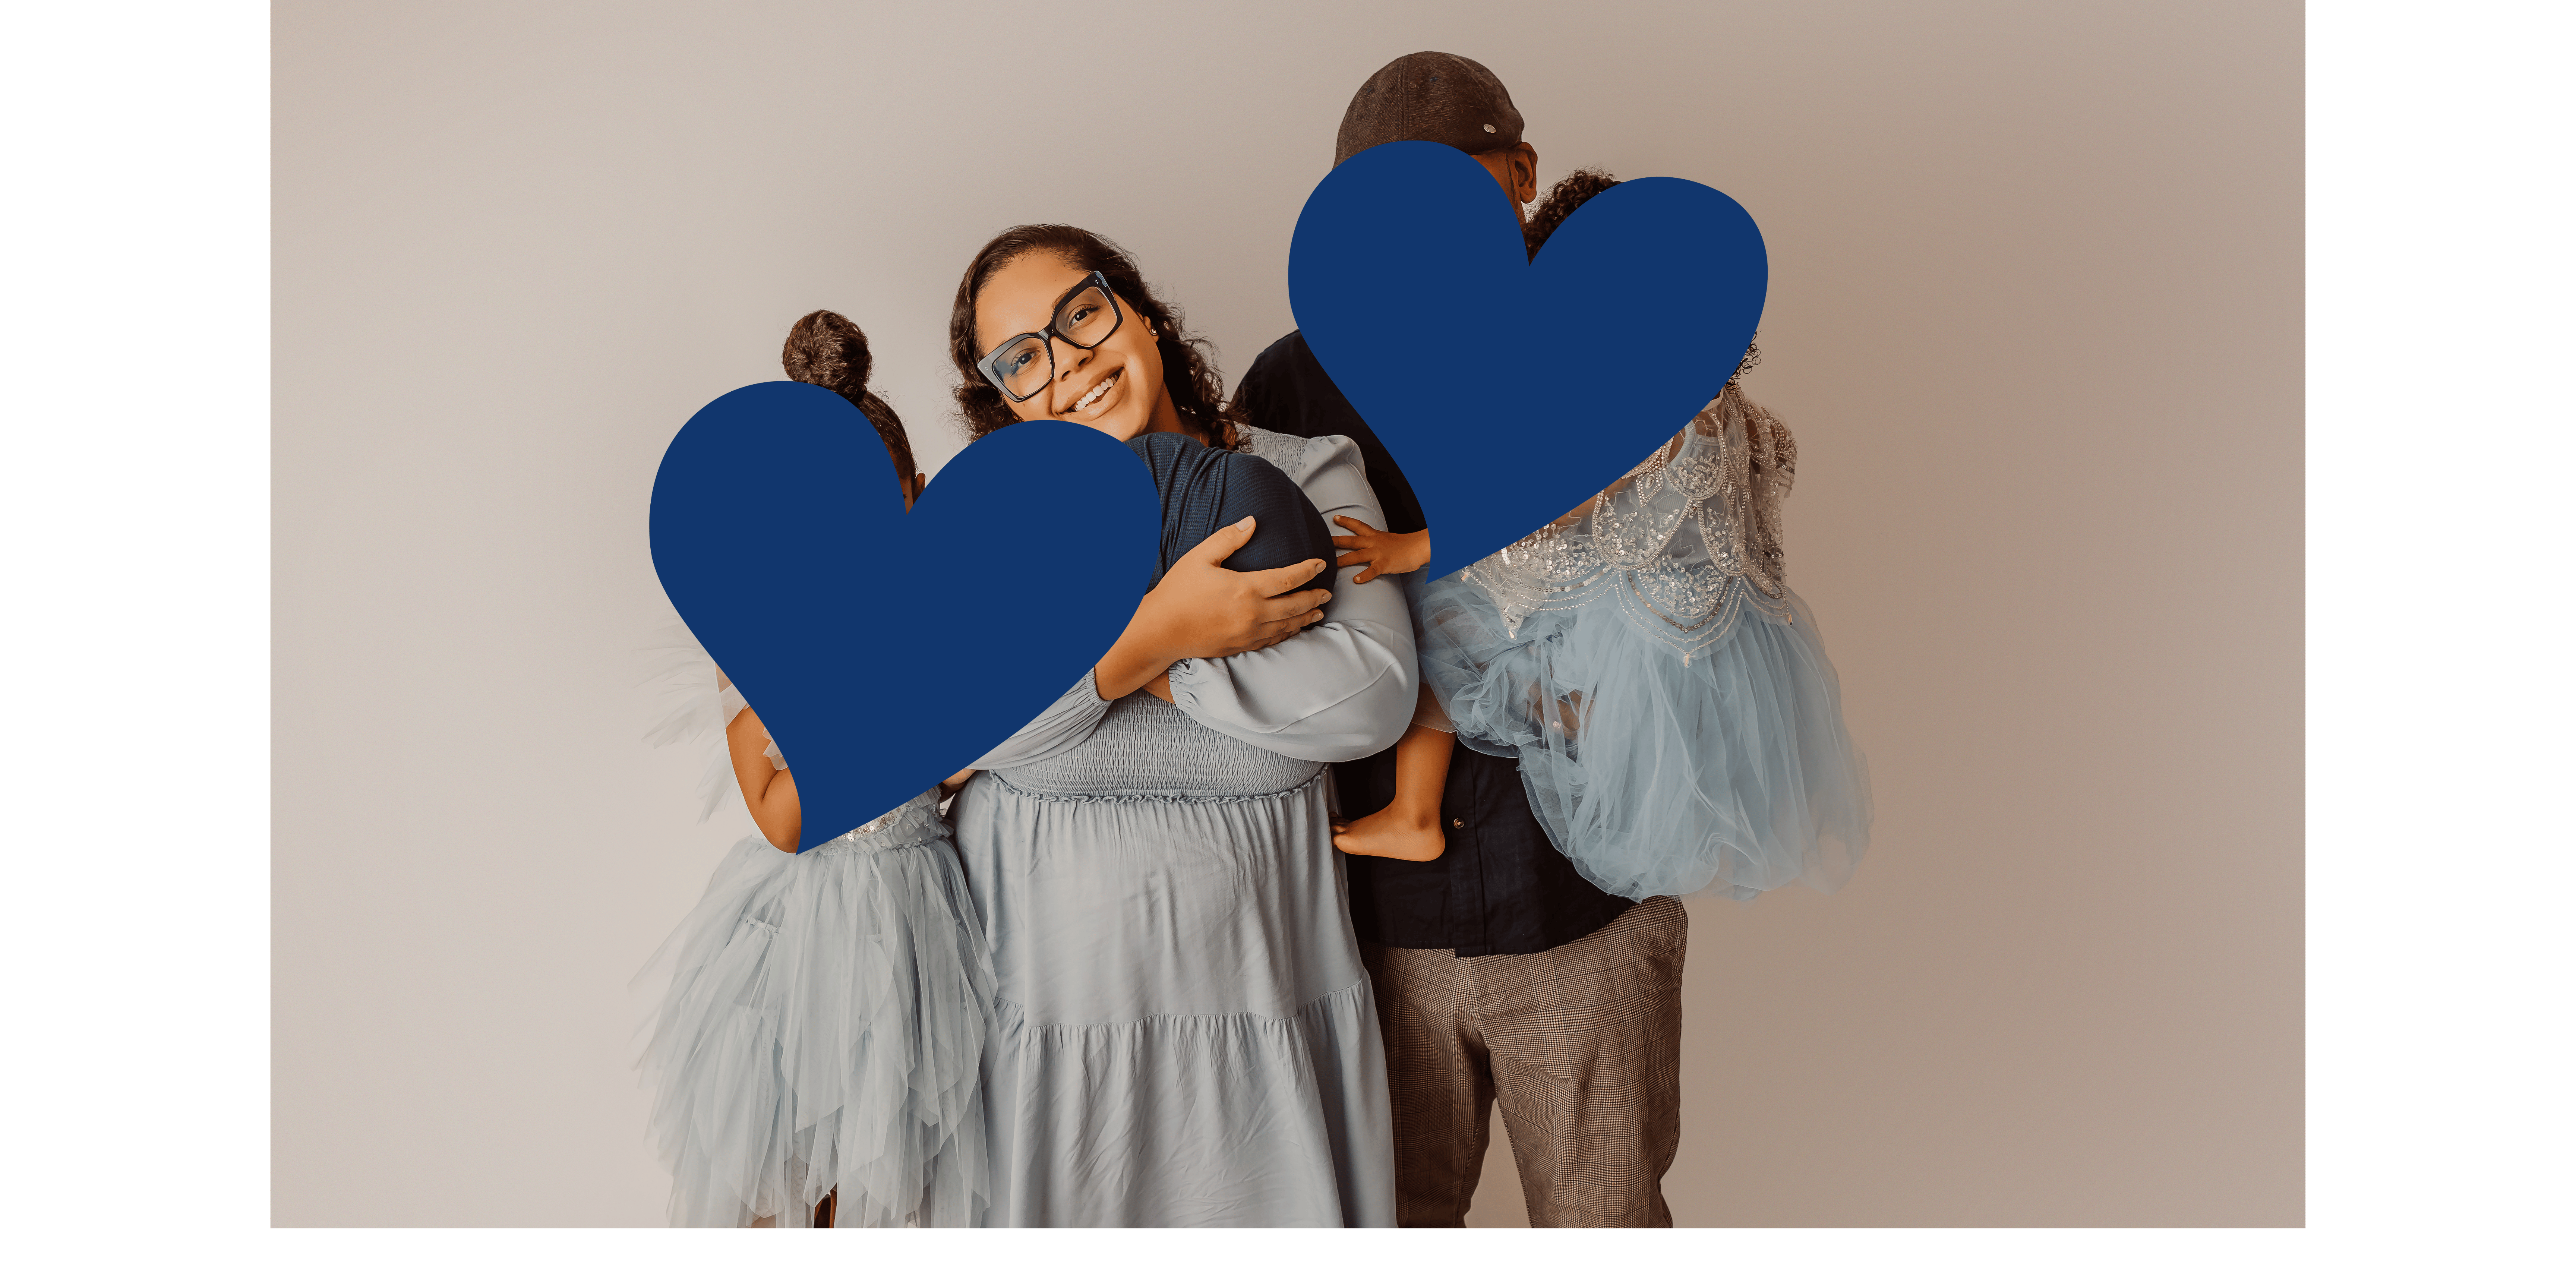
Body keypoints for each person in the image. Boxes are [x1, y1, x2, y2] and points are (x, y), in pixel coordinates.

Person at [1230, 51, 1819, 1229]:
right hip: (1369, 929)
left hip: (1582, 899)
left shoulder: (1608, 333)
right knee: (1377, 1225)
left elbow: (1724, 539)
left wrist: (1646, 670)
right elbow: (1251, 627)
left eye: (1450, 191)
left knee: (1603, 1220)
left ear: (1520, 174)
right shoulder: (1289, 383)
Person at [943, 224, 1417, 1226]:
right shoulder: (988, 528)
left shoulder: (1303, 473)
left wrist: (1144, 671)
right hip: (1048, 1050)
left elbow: (1371, 691)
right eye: (1022, 358)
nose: (1068, 362)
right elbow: (949, 734)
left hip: (1263, 1029)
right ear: (1006, 406)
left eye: (1081, 314)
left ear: (1142, 315)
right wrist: (1155, 637)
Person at [633, 311, 994, 1228]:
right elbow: (784, 813)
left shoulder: (944, 625)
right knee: (787, 1184)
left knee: (910, 1183)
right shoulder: (751, 637)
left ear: (914, 496)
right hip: (803, 936)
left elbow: (971, 757)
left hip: (926, 922)